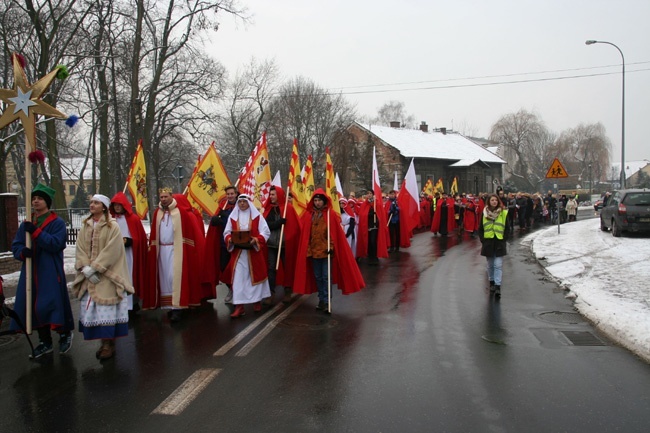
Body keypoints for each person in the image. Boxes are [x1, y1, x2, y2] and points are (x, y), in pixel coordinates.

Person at [11, 184, 74, 359]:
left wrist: (37, 232)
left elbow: (56, 244)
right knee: (33, 304)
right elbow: (16, 245)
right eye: (34, 198)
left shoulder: (57, 223)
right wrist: (22, 252)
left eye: (39, 198)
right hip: (31, 270)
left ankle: (64, 334)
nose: (35, 201)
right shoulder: (27, 223)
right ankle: (44, 341)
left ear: (47, 202)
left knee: (51, 303)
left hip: (49, 269)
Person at [72, 194, 133, 361]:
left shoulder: (112, 226)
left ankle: (108, 344)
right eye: (91, 202)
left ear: (104, 207)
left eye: (96, 202)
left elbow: (113, 250)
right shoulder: (86, 225)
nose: (92, 205)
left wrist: (96, 268)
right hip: (88, 275)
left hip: (106, 275)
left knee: (106, 310)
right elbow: (80, 247)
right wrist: (84, 266)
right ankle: (103, 342)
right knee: (94, 311)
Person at [293, 189, 365, 312]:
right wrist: (308, 248)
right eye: (315, 200)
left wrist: (331, 247)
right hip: (314, 252)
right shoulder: (309, 215)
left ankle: (327, 301)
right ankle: (321, 299)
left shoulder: (330, 215)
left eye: (320, 200)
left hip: (326, 252)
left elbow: (334, 234)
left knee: (326, 277)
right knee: (318, 277)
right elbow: (307, 235)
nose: (317, 203)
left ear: (324, 201)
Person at [143, 188, 202, 322]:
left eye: (165, 196)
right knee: (164, 280)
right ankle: (169, 306)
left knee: (174, 278)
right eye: (161, 197)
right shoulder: (158, 213)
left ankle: (178, 308)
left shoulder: (180, 213)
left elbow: (188, 234)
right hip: (161, 251)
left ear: (171, 196)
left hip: (176, 251)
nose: (163, 199)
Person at [222, 194, 271, 318]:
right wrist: (230, 240)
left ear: (248, 203)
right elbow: (226, 232)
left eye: (244, 202)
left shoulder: (256, 217)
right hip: (238, 254)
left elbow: (265, 231)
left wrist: (256, 240)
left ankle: (256, 301)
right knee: (238, 280)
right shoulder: (233, 218)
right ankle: (239, 307)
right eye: (240, 202)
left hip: (252, 253)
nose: (242, 204)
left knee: (254, 278)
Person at [109, 192, 147, 314]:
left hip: (129, 253)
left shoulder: (133, 219)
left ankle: (130, 304)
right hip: (114, 254)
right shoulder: (109, 219)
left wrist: (131, 241)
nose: (117, 207)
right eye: (115, 205)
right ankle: (118, 303)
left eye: (119, 205)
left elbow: (139, 237)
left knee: (129, 276)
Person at [263, 186, 300, 304]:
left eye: (273, 194)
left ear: (279, 195)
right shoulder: (268, 209)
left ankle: (288, 290)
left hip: (285, 244)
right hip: (271, 244)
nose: (271, 196)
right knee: (271, 268)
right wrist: (278, 223)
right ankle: (270, 292)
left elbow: (294, 228)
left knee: (288, 267)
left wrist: (289, 237)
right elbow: (265, 225)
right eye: (270, 194)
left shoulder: (288, 209)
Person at [205, 186, 238, 303]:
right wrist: (215, 220)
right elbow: (216, 220)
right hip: (224, 243)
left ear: (236, 194)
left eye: (232, 194)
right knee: (223, 268)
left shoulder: (241, 205)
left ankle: (239, 291)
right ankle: (231, 289)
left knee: (235, 269)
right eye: (228, 194)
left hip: (237, 243)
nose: (230, 196)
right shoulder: (223, 207)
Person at [478, 194, 509, 299]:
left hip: (499, 242)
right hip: (488, 242)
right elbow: (481, 228)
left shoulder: (503, 213)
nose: (494, 202)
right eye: (492, 200)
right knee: (490, 265)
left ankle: (497, 286)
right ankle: (491, 282)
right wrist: (483, 240)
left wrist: (504, 239)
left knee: (498, 265)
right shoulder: (484, 213)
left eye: (496, 200)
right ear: (489, 202)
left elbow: (507, 228)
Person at [357, 189, 388, 264]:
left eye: (370, 193)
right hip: (367, 226)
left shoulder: (376, 204)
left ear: (373, 194)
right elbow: (362, 215)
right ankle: (370, 256)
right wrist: (368, 214)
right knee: (368, 242)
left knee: (373, 241)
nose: (369, 195)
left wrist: (376, 217)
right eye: (368, 193)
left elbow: (381, 215)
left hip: (374, 226)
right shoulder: (364, 204)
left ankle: (375, 256)